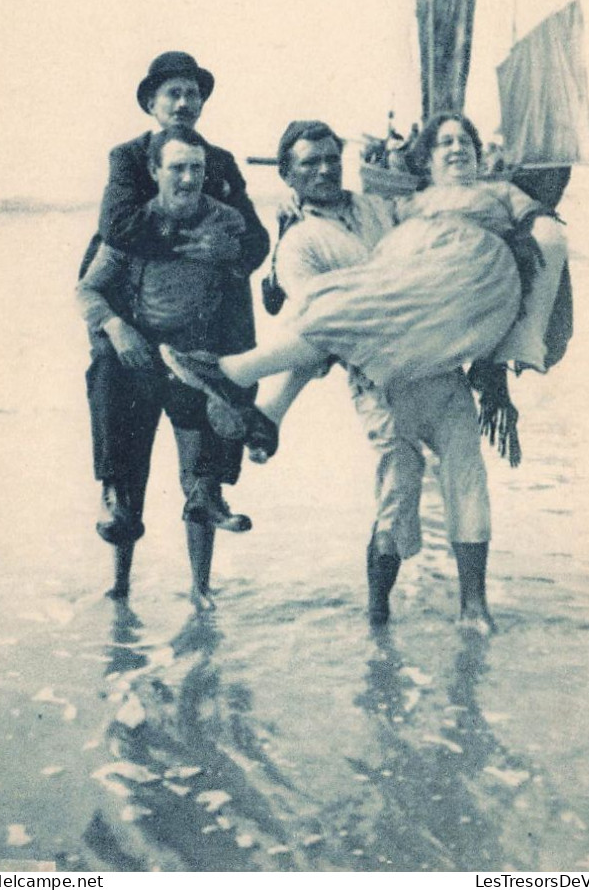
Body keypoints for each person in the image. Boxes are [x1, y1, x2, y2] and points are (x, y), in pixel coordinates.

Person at [163, 115, 566, 629]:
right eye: (310, 164)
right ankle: (378, 623)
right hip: (379, 378)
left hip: (440, 366)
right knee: (398, 491)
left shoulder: (386, 208)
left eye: (332, 159)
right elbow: (317, 334)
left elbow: (448, 241)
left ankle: (474, 610)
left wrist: (495, 348)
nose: (326, 170)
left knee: (468, 476)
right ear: (287, 174)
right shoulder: (299, 244)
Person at [163, 112, 567, 395]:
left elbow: (548, 234)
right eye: (446, 142)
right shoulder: (410, 203)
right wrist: (297, 208)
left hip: (480, 279)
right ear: (426, 160)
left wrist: (528, 333)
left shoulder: (497, 192)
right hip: (430, 289)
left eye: (465, 142)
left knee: (350, 304)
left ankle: (241, 372)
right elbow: (355, 210)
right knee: (343, 301)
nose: (457, 149)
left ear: (479, 156)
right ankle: (250, 389)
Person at [78, 50, 269, 598]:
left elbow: (253, 243)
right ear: (151, 104)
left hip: (200, 336)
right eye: (172, 94)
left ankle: (201, 588)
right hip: (136, 318)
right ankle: (119, 584)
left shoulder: (224, 164)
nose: (185, 103)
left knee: (204, 465)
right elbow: (116, 228)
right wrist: (185, 240)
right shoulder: (127, 157)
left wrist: (227, 248)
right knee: (121, 435)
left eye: (193, 93)